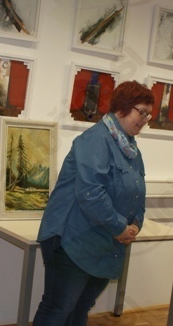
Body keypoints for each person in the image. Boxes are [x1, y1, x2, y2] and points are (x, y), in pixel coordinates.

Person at [32, 81, 154, 326]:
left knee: (81, 307)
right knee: (58, 309)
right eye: (141, 112)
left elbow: (137, 193)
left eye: (148, 115)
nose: (145, 120)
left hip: (102, 242)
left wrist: (135, 224)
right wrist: (119, 227)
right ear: (123, 107)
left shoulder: (132, 150)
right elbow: (91, 193)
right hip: (71, 239)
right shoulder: (95, 139)